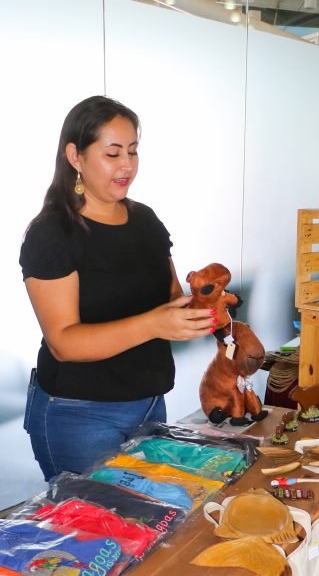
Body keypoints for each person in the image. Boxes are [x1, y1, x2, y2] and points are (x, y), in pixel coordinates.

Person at [21, 96, 215, 480]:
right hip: (78, 413)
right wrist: (155, 325)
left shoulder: (144, 219)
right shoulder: (52, 235)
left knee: (147, 523)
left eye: (132, 151)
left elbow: (171, 296)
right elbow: (64, 342)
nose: (127, 165)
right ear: (75, 156)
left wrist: (202, 302)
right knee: (95, 533)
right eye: (112, 153)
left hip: (149, 404)